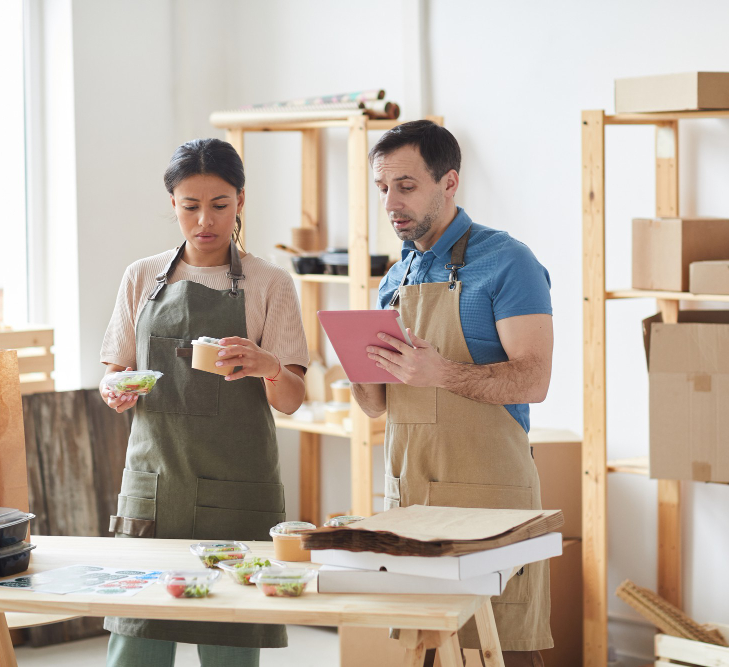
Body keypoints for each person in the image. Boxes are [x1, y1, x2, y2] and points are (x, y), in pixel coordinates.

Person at [99, 137, 309, 667]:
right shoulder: (141, 277)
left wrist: (269, 367)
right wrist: (114, 389)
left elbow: (291, 401)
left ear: (240, 200)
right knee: (137, 638)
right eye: (190, 206)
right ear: (172, 203)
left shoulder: (270, 284)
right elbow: (115, 371)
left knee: (231, 643)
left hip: (236, 484)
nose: (204, 221)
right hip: (154, 482)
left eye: (219, 205)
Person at [351, 120, 554, 667]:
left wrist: (441, 373)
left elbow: (534, 378)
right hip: (413, 497)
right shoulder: (394, 278)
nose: (391, 202)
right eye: (382, 188)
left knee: (502, 650)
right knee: (430, 652)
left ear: (449, 183)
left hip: (490, 501)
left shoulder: (508, 261)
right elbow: (378, 407)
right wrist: (357, 373)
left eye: (406, 186)